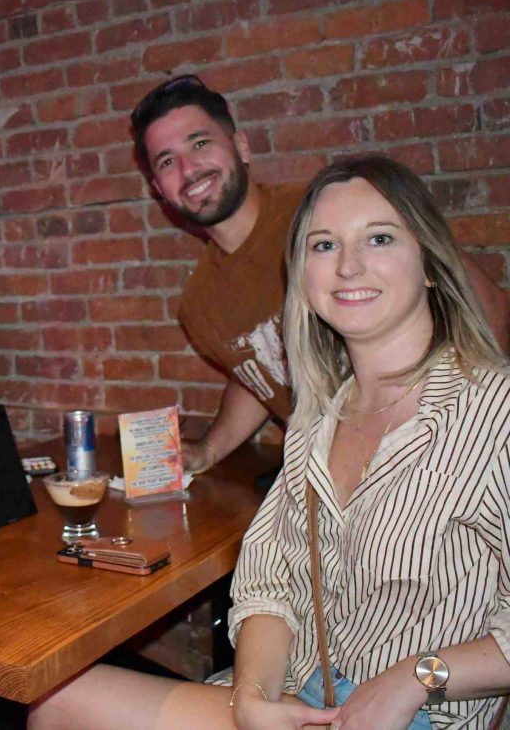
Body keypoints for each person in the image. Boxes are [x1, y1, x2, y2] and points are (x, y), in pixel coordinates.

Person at [28, 156, 510, 729]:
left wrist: (417, 677)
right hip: (301, 690)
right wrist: (253, 696)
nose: (349, 265)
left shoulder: (494, 410)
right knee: (52, 704)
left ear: (430, 263)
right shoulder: (316, 415)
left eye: (379, 238)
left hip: (421, 715)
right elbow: (269, 582)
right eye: (323, 245)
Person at [131, 75, 510, 473]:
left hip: (430, 460)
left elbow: (484, 305)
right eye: (167, 161)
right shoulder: (199, 303)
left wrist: (475, 436)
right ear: (158, 188)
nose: (189, 169)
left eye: (200, 143)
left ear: (240, 146)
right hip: (324, 474)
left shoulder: (325, 211)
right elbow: (259, 374)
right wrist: (208, 450)